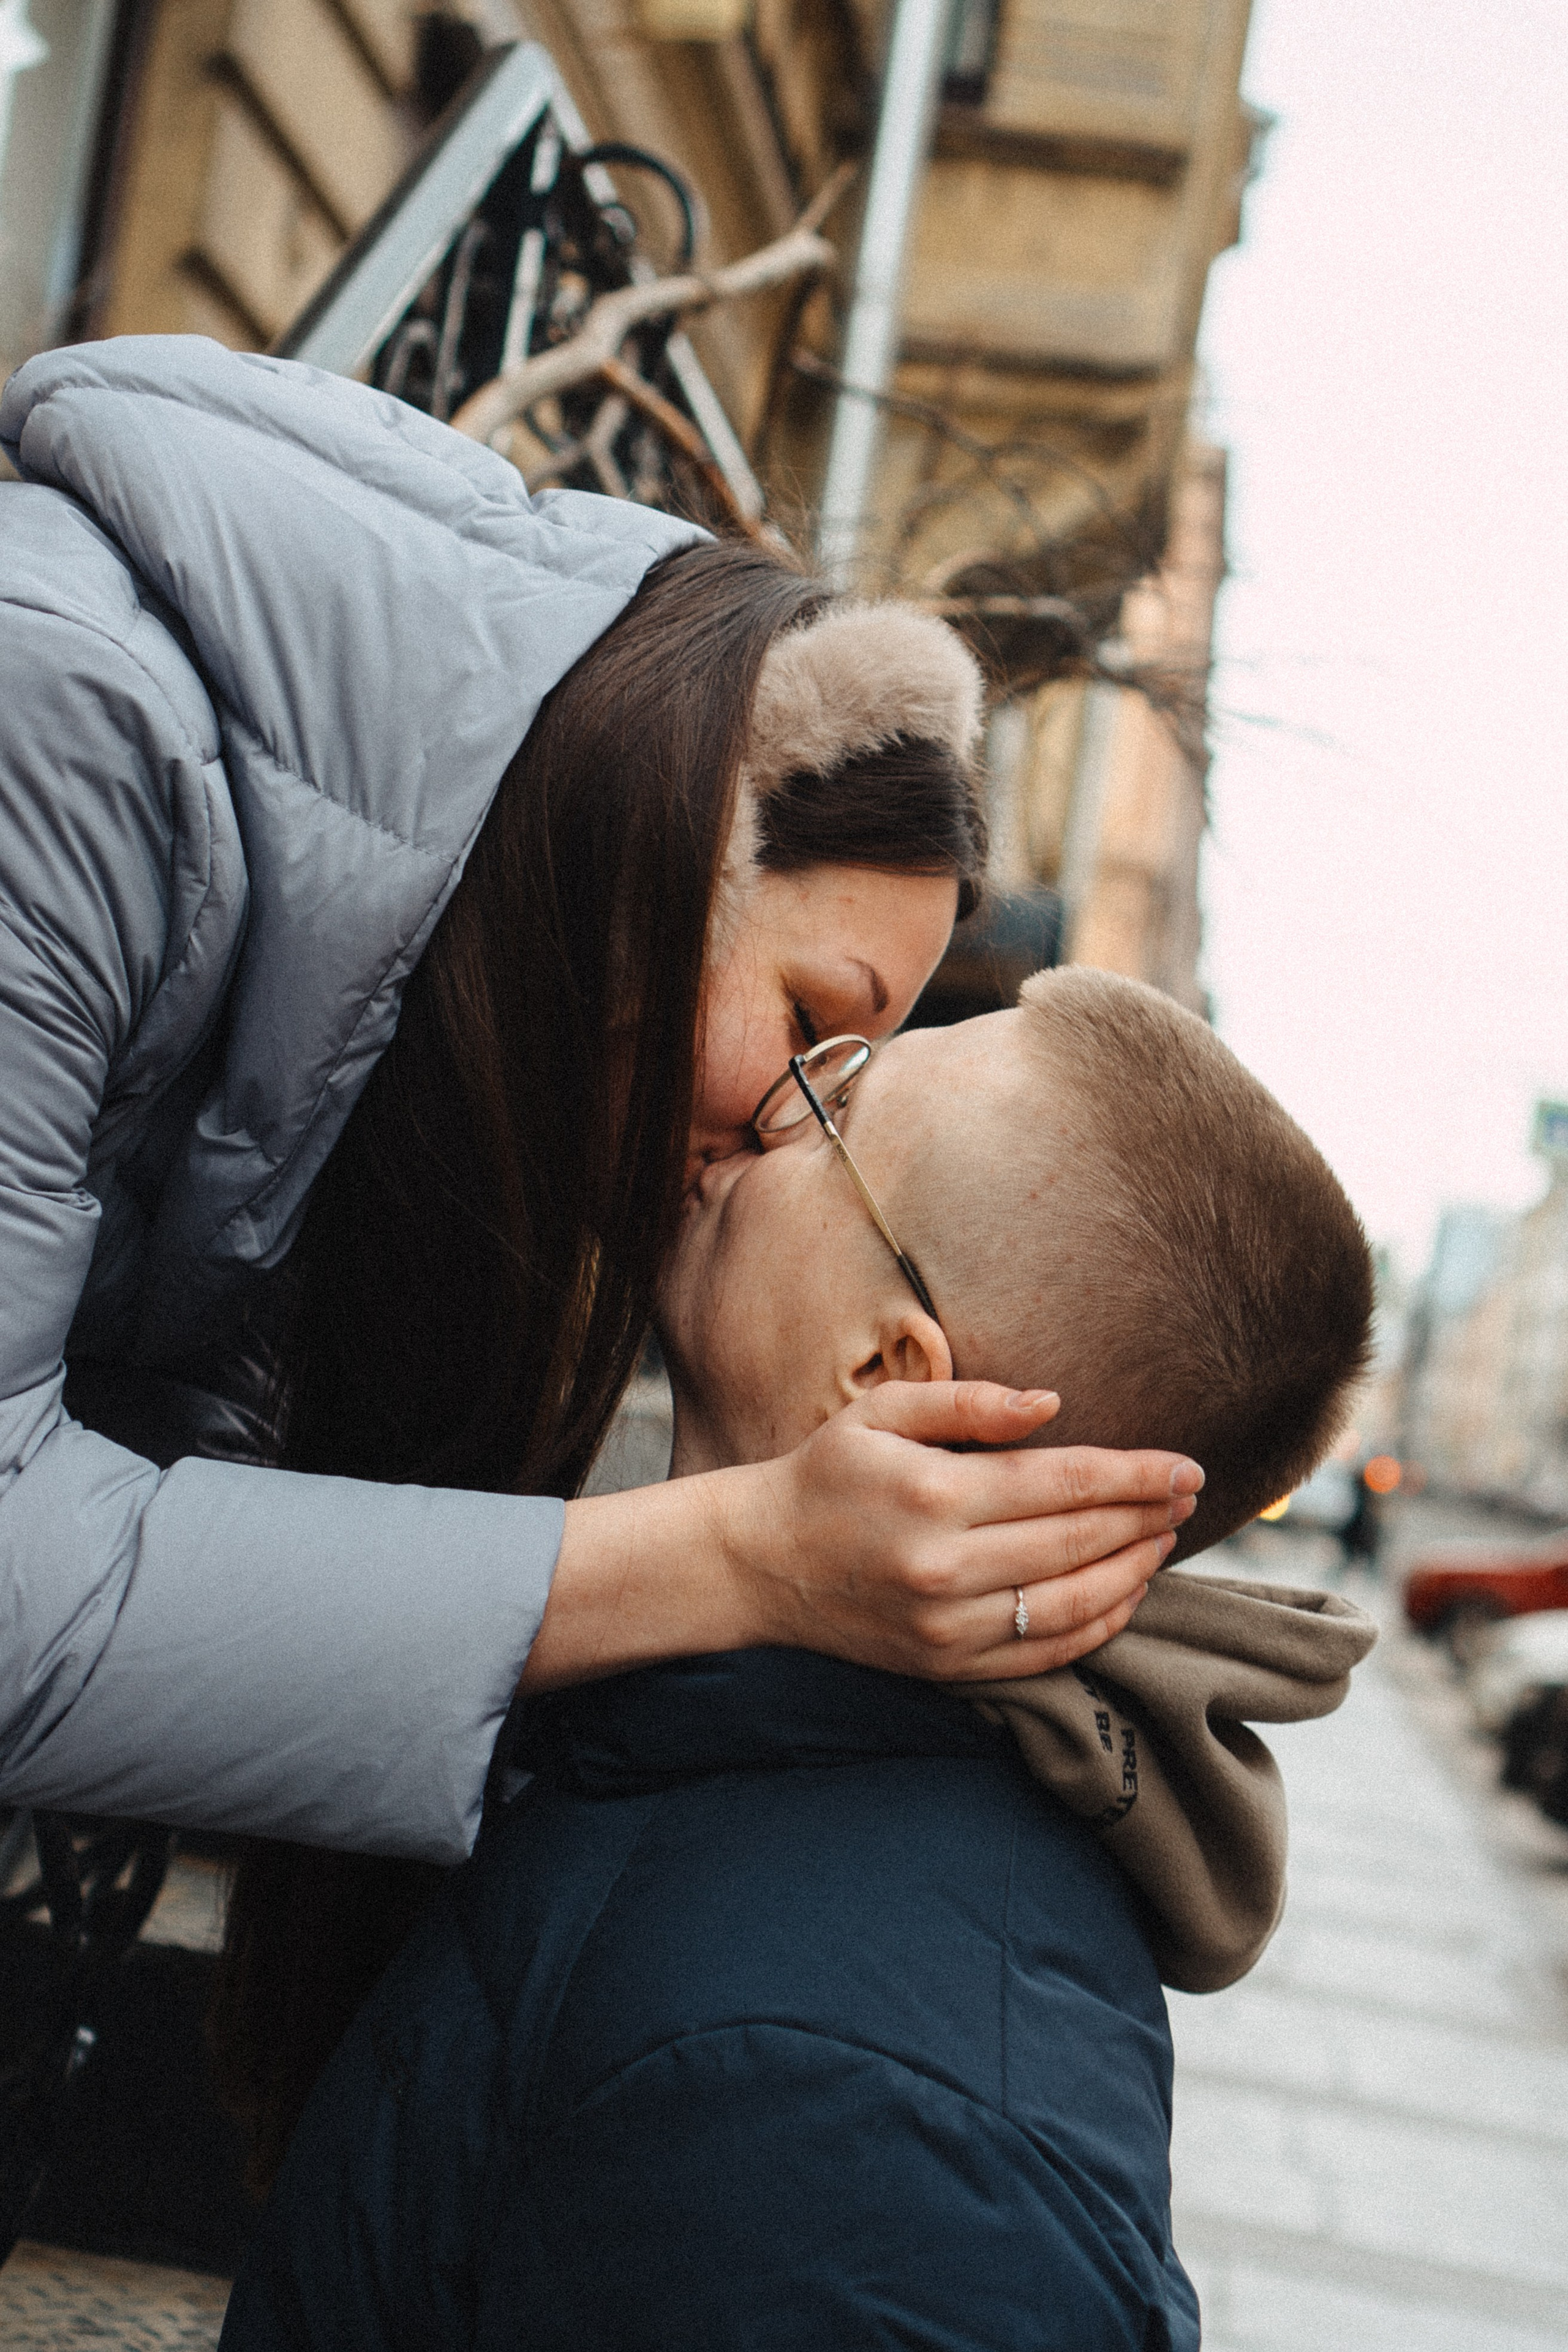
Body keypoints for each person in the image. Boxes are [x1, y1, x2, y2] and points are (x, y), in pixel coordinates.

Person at [0, 336, 1199, 1881]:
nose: (786, 1134)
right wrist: (744, 1557)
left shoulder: (355, 1029)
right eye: (808, 1027)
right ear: (676, 833)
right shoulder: (64, 737)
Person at [218, 969, 1374, 2351]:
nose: (760, 1110)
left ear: (886, 1371)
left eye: (833, 1101)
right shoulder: (740, 1756)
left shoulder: (848, 2118)